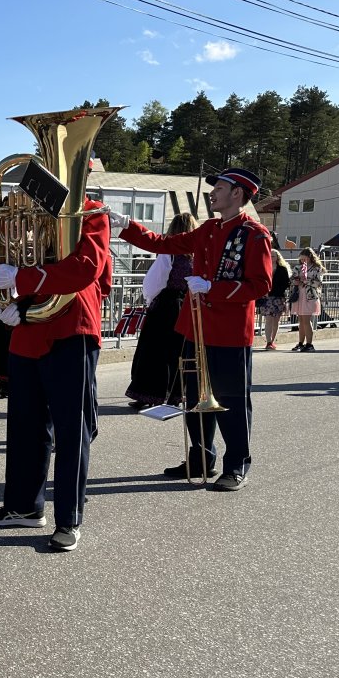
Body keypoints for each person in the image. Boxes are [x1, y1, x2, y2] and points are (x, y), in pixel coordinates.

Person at [116, 167, 272, 491]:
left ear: (237, 194)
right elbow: (163, 243)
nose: (212, 193)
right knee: (194, 401)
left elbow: (260, 285)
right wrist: (126, 225)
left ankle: (236, 466)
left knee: (231, 402)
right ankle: (201, 458)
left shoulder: (254, 234)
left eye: (220, 188)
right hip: (196, 328)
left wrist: (212, 288)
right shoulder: (208, 229)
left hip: (229, 333)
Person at [0, 194, 112, 552]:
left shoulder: (91, 212)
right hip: (28, 329)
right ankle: (24, 506)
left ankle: (69, 519)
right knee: (25, 427)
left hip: (72, 327)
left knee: (72, 431)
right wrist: (6, 300)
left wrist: (22, 278)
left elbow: (86, 269)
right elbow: (11, 258)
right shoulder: (28, 210)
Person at [124, 212, 197, 408]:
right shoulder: (197, 254)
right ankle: (176, 395)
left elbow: (154, 282)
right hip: (187, 305)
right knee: (179, 351)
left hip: (167, 305)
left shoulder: (169, 252)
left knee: (154, 351)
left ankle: (149, 395)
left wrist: (150, 300)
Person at [289, 247, 326, 352]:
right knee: (301, 320)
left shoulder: (317, 268)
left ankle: (309, 344)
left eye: (304, 259)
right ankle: (300, 343)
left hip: (310, 296)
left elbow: (318, 282)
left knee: (306, 320)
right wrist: (295, 281)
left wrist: (305, 281)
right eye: (301, 259)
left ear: (310, 257)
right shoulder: (298, 267)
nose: (302, 261)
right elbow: (292, 279)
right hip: (299, 295)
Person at [257, 249, 290, 351]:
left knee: (276, 320)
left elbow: (285, 283)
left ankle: (272, 340)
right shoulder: (263, 268)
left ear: (277, 258)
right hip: (267, 298)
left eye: (273, 256)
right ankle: (268, 342)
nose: (271, 258)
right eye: (270, 256)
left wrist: (275, 291)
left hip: (278, 297)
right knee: (268, 319)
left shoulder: (282, 269)